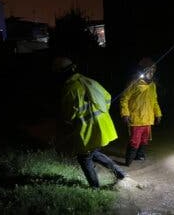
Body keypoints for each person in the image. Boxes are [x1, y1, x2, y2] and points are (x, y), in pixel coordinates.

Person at [52, 57, 125, 188]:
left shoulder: (69, 89)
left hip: (88, 129)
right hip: (104, 125)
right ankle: (120, 173)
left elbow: (69, 115)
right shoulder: (89, 81)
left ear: (61, 73)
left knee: (84, 158)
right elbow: (107, 97)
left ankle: (95, 188)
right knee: (93, 153)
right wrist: (101, 113)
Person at [120, 57, 162, 166]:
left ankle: (139, 155)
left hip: (148, 119)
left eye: (153, 70)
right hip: (136, 118)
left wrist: (158, 114)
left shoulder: (152, 85)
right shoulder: (134, 82)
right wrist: (125, 113)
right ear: (143, 70)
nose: (151, 72)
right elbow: (124, 98)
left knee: (145, 139)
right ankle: (128, 160)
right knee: (134, 140)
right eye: (148, 70)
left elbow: (154, 101)